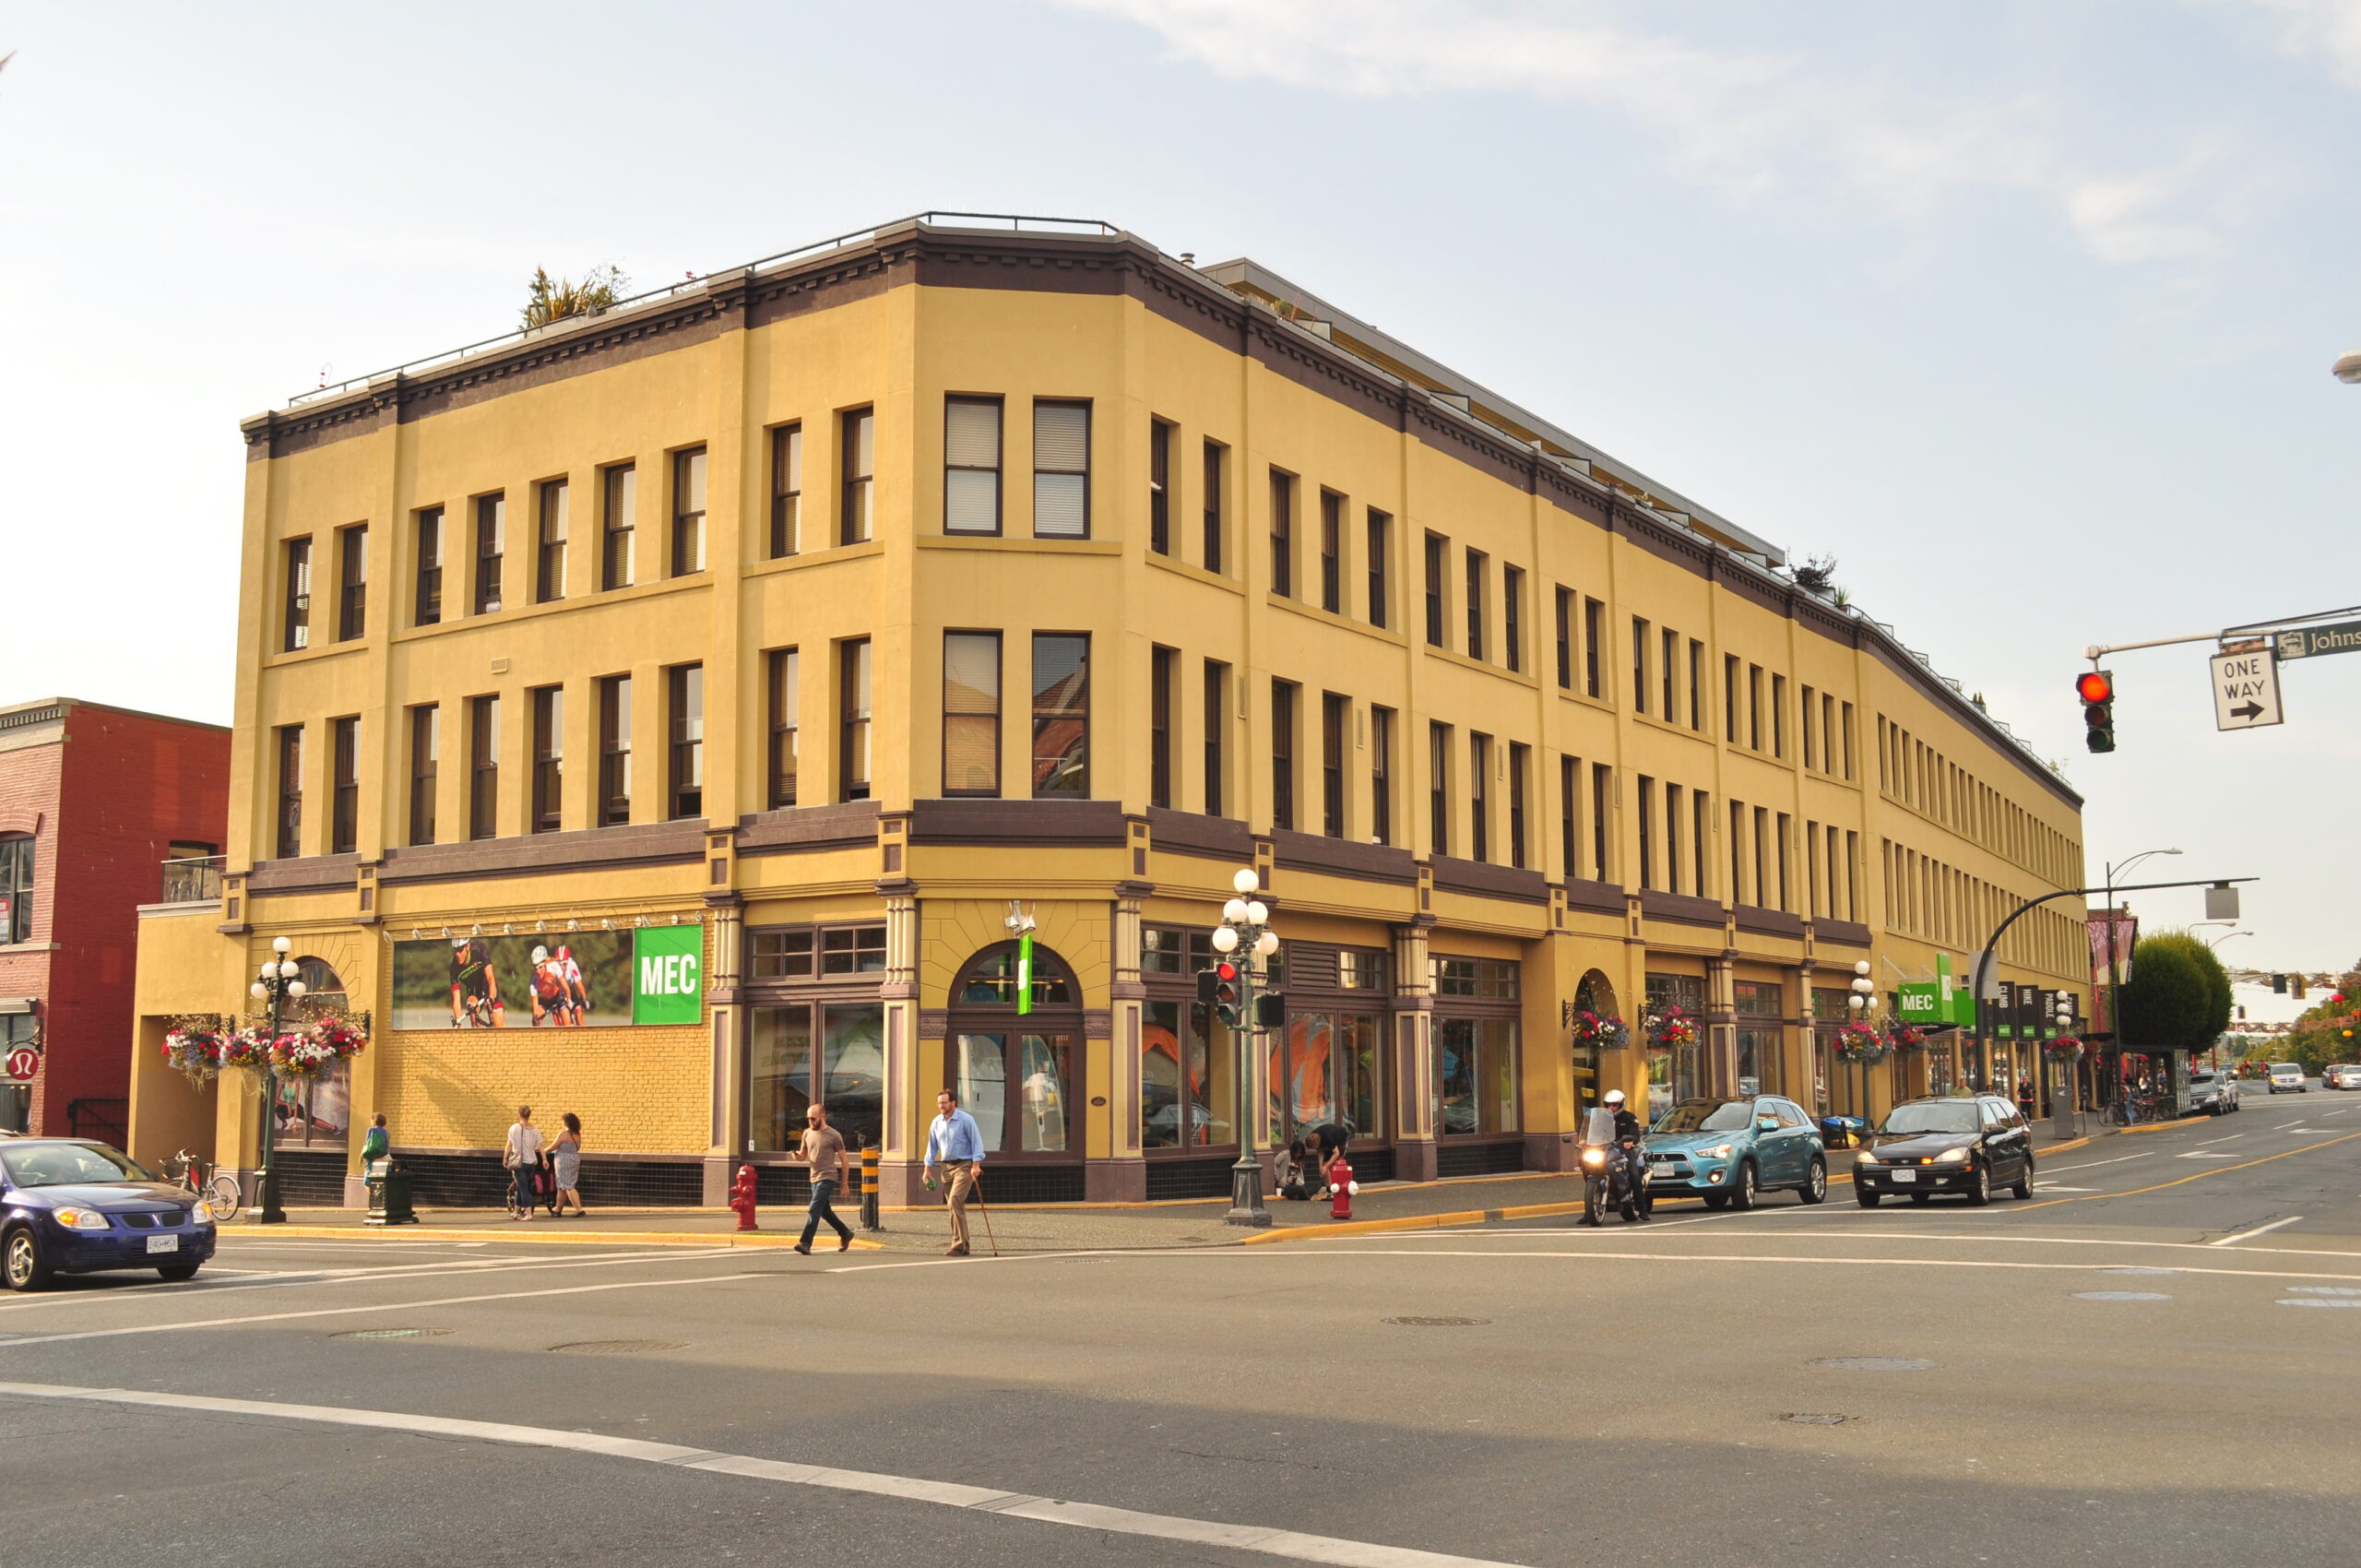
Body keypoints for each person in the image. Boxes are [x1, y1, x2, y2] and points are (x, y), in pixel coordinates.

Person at [922, 1089, 986, 1257]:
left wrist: (976, 1165)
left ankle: (958, 1245)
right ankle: (964, 1245)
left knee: (954, 1201)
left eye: (944, 1102)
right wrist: (927, 1169)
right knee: (954, 1207)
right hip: (946, 1168)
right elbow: (932, 1146)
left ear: (953, 1103)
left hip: (964, 1166)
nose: (941, 1106)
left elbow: (976, 1143)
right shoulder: (937, 1122)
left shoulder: (966, 1120)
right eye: (939, 1103)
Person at [794, 1102, 855, 1254]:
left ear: (822, 1116)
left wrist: (844, 1184)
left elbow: (844, 1161)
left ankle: (805, 1243)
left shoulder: (834, 1135)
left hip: (828, 1177)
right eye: (808, 1119)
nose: (810, 1122)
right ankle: (845, 1233)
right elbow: (803, 1155)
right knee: (824, 1211)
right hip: (814, 1178)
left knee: (814, 1209)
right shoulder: (807, 1133)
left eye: (813, 1119)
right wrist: (797, 1157)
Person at [450, 936, 505, 1028]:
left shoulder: (479, 949)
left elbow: (490, 977)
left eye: (460, 949)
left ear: (467, 946)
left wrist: (491, 998)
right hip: (473, 989)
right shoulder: (454, 967)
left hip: (487, 984)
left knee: (499, 1024)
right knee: (471, 1007)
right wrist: (458, 1024)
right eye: (455, 950)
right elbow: (456, 999)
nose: (457, 954)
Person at [503, 1105, 544, 1220]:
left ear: (519, 1115)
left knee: (523, 1188)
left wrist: (505, 1158)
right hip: (531, 1163)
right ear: (529, 1115)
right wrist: (545, 1160)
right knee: (521, 1187)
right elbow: (540, 1146)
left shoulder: (514, 1128)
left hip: (519, 1163)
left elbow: (509, 1145)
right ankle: (516, 1211)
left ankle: (528, 1213)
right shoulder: (535, 1130)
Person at [549, 1111, 585, 1217]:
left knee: (568, 1186)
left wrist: (541, 1152)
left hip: (563, 1160)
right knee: (562, 1185)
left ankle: (579, 1210)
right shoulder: (577, 1135)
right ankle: (558, 1209)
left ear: (566, 1122)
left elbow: (553, 1147)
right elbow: (578, 1148)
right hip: (574, 1159)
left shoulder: (564, 1134)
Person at [1275, 1137, 1312, 1201]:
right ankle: (1306, 1197)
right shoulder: (1285, 1154)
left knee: (1317, 1185)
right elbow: (1274, 1162)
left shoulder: (1299, 1160)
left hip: (1298, 1184)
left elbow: (1300, 1178)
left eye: (1300, 1153)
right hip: (1286, 1185)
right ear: (1293, 1151)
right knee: (1301, 1188)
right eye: (1297, 1153)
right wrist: (1277, 1176)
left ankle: (1298, 1195)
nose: (1298, 1155)